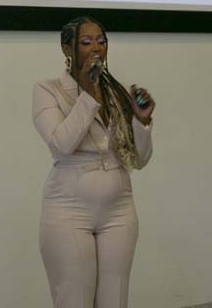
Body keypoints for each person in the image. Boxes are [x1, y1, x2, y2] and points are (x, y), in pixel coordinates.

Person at [33, 16, 155, 308]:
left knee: (115, 301)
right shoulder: (48, 90)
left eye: (101, 41)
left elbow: (139, 159)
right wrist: (87, 94)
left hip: (119, 210)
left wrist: (143, 122)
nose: (96, 48)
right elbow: (62, 145)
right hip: (69, 210)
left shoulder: (119, 92)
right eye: (86, 42)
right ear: (67, 49)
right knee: (74, 300)